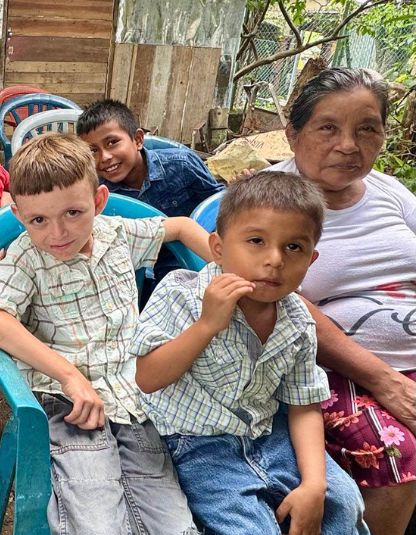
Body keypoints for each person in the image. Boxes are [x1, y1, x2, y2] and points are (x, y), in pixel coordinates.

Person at [0, 133, 210, 534]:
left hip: (135, 401)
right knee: (97, 522)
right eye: (38, 220)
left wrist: (236, 273)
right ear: (19, 216)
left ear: (98, 202)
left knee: (175, 526)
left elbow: (184, 228)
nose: (57, 233)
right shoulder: (25, 257)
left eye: (73, 213)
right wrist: (69, 375)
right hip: (68, 405)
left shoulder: (116, 234)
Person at [131, 171, 368, 534]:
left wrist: (314, 484)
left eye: (294, 247)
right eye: (256, 240)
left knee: (343, 503)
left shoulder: (298, 319)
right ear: (219, 248)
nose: (275, 259)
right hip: (195, 443)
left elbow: (304, 405)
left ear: (311, 258)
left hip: (270, 435)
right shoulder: (181, 294)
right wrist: (206, 326)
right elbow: (147, 378)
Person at [265, 67, 416, 535]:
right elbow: (278, 298)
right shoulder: (269, 199)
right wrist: (386, 380)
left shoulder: (391, 192)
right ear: (293, 134)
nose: (348, 145)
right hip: (335, 367)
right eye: (328, 127)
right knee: (394, 451)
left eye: (366, 128)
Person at [77, 99, 224, 302]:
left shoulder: (182, 165)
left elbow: (219, 207)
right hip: (143, 276)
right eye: (93, 151)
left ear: (137, 140)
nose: (105, 157)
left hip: (202, 257)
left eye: (112, 142)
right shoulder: (100, 194)